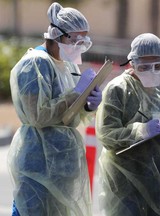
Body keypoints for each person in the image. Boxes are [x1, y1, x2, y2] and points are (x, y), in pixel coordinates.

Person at [7, 2, 102, 216]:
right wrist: (75, 94)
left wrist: (88, 104)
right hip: (36, 163)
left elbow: (68, 113)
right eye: (76, 40)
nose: (79, 46)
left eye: (83, 41)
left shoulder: (68, 65)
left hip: (62, 163)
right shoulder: (35, 64)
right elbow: (37, 115)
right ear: (58, 35)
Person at [95, 33, 160, 216]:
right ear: (132, 63)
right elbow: (107, 134)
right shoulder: (118, 89)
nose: (152, 71)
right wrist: (140, 131)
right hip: (125, 180)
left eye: (158, 66)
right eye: (144, 67)